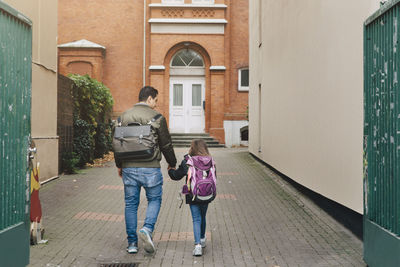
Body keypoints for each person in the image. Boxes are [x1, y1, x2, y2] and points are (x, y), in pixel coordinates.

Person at [115, 86, 177, 254]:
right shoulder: (156, 117)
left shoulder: (122, 118)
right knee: (154, 199)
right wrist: (172, 163)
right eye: (155, 100)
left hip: (128, 167)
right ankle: (147, 229)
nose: (156, 105)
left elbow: (117, 144)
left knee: (130, 204)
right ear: (149, 99)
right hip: (150, 167)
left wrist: (119, 165)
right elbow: (166, 144)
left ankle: (132, 244)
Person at [168, 139, 216, 256]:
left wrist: (170, 170)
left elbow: (176, 176)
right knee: (203, 216)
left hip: (192, 194)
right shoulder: (210, 160)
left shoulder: (188, 161)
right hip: (207, 194)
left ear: (192, 148)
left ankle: (198, 245)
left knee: (196, 218)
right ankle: (203, 239)